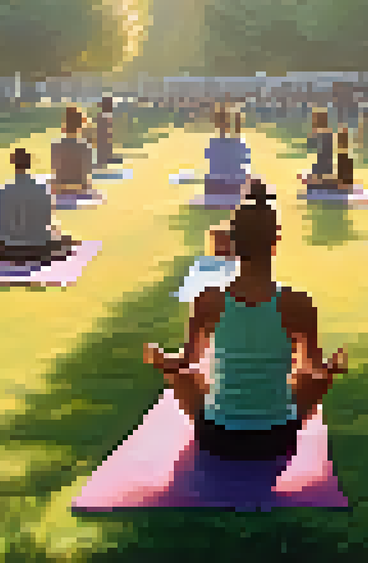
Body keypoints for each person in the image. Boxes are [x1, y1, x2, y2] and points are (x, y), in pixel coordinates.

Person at [143, 181, 349, 461]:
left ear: (233, 243)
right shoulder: (298, 302)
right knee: (308, 377)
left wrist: (159, 359)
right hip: (277, 439)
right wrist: (333, 368)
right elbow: (314, 368)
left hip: (217, 438)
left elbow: (186, 362)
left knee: (186, 376)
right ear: (275, 242)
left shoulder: (208, 300)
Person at [0, 148, 78, 264]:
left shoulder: (5, 191)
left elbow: (5, 225)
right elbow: (47, 221)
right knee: (61, 238)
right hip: (39, 245)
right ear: (29, 163)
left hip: (10, 248)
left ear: (13, 164)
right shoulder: (42, 189)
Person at [49, 106, 96, 197]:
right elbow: (86, 173)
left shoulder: (56, 145)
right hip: (79, 187)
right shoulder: (85, 146)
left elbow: (55, 171)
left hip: (61, 187)